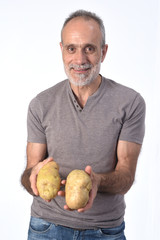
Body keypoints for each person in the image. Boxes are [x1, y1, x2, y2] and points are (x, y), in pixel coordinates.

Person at [21, 9, 146, 240]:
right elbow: (31, 170)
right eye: (71, 49)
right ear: (61, 50)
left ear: (103, 52)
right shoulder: (40, 104)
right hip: (46, 228)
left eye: (89, 48)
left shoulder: (130, 102)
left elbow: (126, 176)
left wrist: (96, 181)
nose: (79, 60)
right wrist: (31, 177)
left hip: (105, 230)